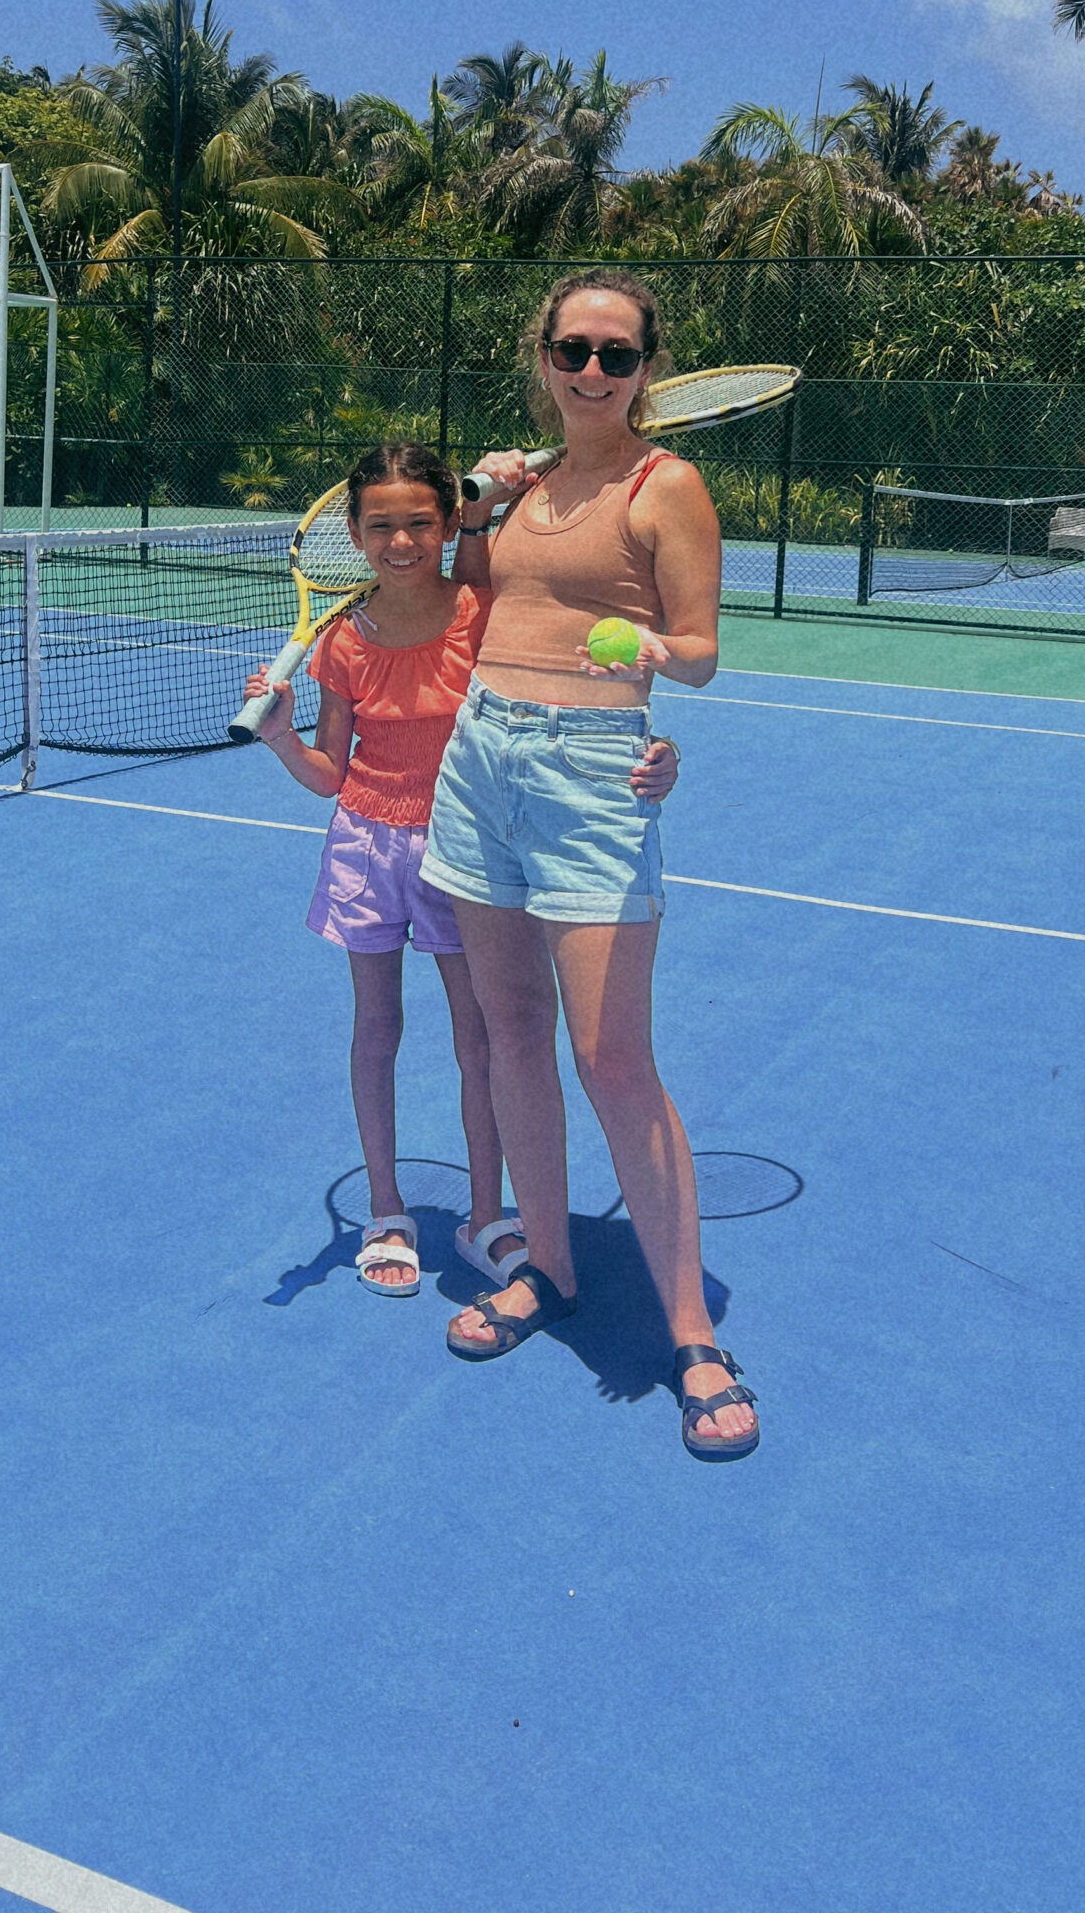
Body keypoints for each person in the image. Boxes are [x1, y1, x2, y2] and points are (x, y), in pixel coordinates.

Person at [423, 273, 760, 1460]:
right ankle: (552, 1267)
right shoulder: (526, 485)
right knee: (509, 1034)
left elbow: (705, 652)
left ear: (647, 367)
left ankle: (692, 1333)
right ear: (546, 356)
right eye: (575, 348)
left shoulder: (667, 488)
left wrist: (650, 649)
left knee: (613, 1058)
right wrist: (474, 506)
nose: (594, 372)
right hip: (480, 763)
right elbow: (464, 591)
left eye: (618, 355)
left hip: (590, 774)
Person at [243, 441, 680, 1300]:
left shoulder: (483, 614)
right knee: (377, 1030)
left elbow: (565, 706)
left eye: (419, 523)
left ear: (449, 524)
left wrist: (656, 751)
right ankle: (386, 1210)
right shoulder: (341, 642)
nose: (401, 542)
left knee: (482, 1038)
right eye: (381, 527)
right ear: (354, 534)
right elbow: (332, 773)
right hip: (366, 848)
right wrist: (282, 739)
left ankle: (488, 1217)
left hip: (466, 851)